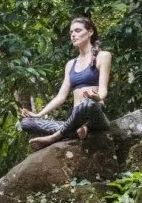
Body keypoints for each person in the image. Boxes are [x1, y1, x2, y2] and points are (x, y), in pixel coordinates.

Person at [19, 17, 112, 150]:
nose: (73, 35)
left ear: (90, 32)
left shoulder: (103, 56)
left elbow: (103, 90)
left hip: (95, 115)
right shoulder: (71, 64)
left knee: (88, 104)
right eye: (71, 32)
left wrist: (97, 97)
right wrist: (39, 114)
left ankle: (55, 137)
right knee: (26, 123)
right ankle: (77, 131)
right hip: (76, 119)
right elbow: (61, 97)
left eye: (78, 30)